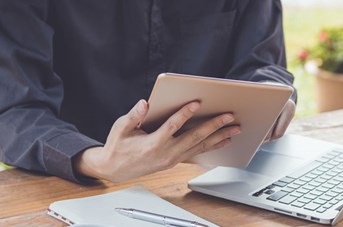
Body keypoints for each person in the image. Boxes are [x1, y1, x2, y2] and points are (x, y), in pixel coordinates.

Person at [0, 0, 296, 183]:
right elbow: (14, 110)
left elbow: (263, 63)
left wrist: (272, 94)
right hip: (78, 185)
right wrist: (98, 161)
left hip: (214, 180)